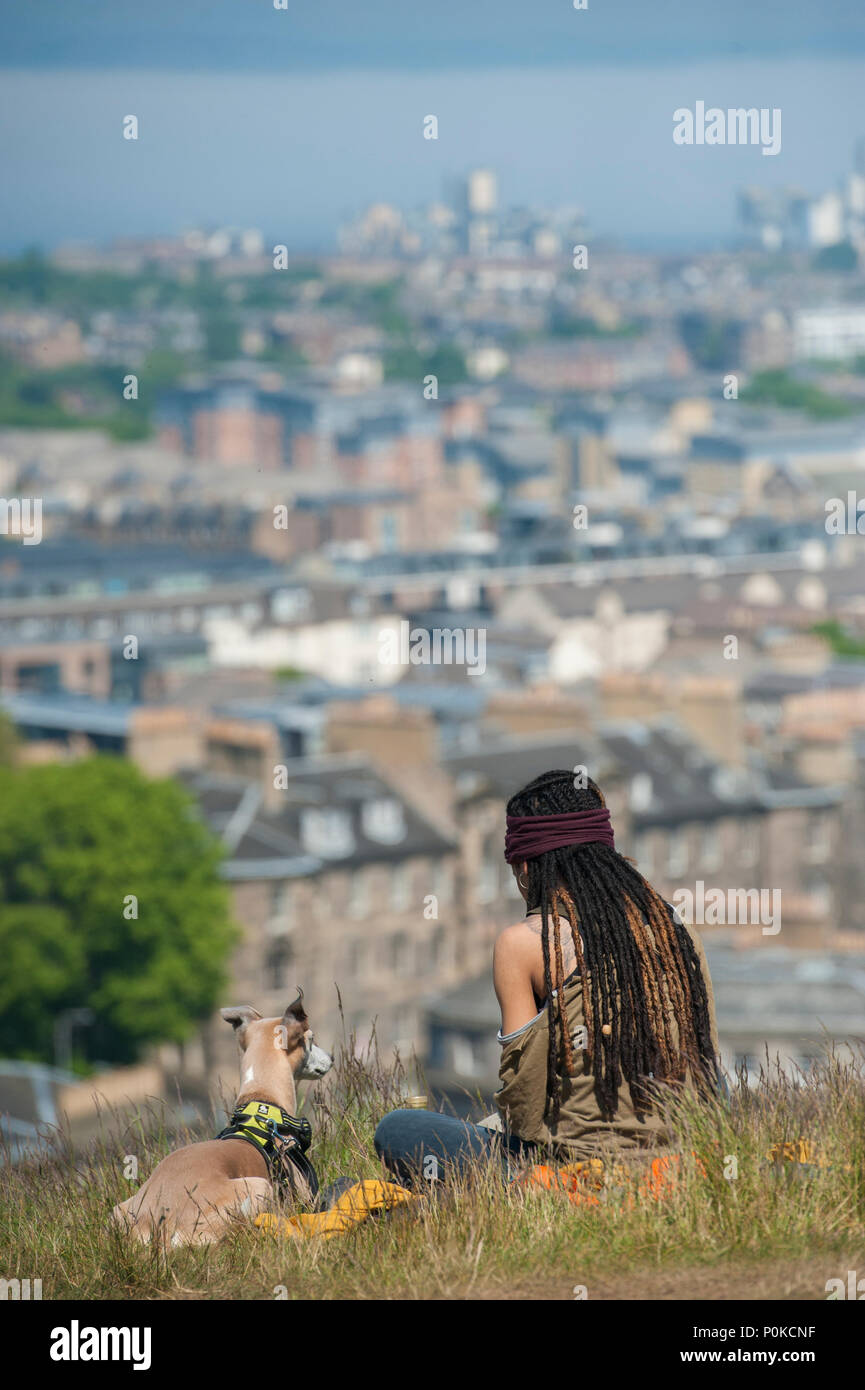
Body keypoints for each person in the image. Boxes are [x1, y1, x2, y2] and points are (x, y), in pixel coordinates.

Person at [374, 769, 720, 1186]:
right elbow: (708, 1071)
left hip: (576, 1170)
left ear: (524, 867)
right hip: (682, 1159)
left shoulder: (524, 943)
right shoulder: (676, 931)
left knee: (397, 1128)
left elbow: (523, 1107)